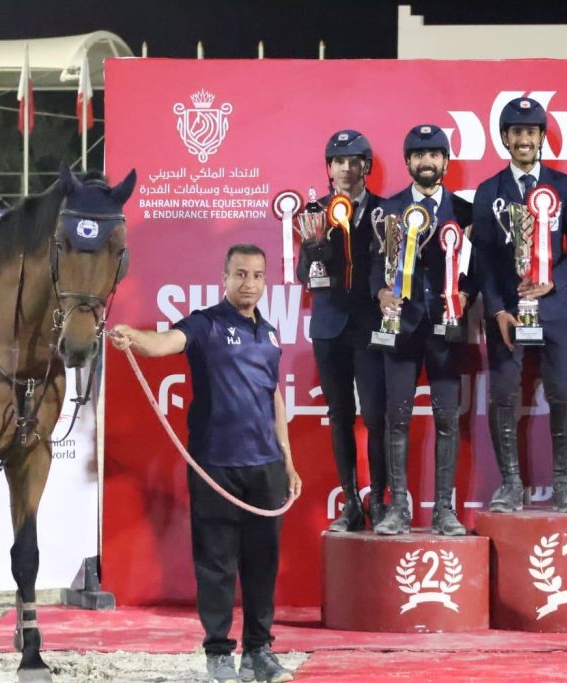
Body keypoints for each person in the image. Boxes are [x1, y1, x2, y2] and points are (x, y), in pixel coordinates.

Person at [110, 244, 299, 683]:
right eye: (240, 274)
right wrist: (134, 337)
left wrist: (288, 461)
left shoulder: (270, 334)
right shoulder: (206, 323)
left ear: (265, 281)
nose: (248, 283)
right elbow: (163, 344)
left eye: (257, 275)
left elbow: (273, 396)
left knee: (262, 565)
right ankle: (219, 654)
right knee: (216, 565)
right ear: (224, 277)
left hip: (266, 468)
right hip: (215, 466)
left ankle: (259, 653)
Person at [473, 97, 567, 513]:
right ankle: (510, 485)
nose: (524, 139)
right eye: (516, 132)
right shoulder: (489, 191)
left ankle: (563, 485)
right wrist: (497, 310)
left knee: (562, 395)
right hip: (507, 312)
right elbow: (482, 259)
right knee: (503, 396)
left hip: (552, 309)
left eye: (531, 132)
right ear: (505, 138)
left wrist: (554, 280)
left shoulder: (564, 187)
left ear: (541, 138)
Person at [371, 124, 475, 535]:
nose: (426, 161)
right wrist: (380, 291)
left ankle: (444, 511)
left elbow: (479, 267)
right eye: (419, 155)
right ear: (408, 162)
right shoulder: (388, 209)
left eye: (434, 154)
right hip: (400, 327)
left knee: (447, 419)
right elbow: (374, 265)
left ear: (446, 162)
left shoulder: (464, 212)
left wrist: (465, 293)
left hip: (446, 328)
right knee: (396, 419)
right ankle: (398, 509)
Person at [298, 129, 387, 531]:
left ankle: (380, 500)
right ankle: (351, 503)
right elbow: (304, 275)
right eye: (339, 161)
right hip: (329, 327)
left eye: (354, 161)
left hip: (371, 327)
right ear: (329, 168)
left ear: (366, 166)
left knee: (376, 415)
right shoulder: (315, 212)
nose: (347, 168)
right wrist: (313, 252)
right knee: (339, 416)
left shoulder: (386, 211)